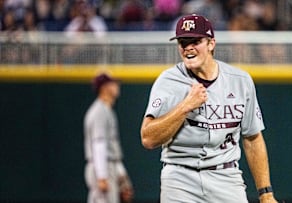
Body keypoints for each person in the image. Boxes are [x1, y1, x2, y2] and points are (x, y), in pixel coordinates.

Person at [140, 14, 278, 203]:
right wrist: (185, 106)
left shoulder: (240, 80)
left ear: (211, 43)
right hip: (180, 179)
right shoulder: (168, 81)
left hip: (226, 176)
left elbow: (253, 138)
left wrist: (266, 193)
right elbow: (148, 138)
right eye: (182, 42)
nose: (188, 47)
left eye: (195, 41)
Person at [84, 73, 134, 203]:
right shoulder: (99, 111)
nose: (117, 86)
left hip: (110, 164)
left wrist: (121, 174)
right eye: (113, 83)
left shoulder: (106, 110)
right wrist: (102, 176)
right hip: (102, 165)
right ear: (104, 87)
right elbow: (99, 144)